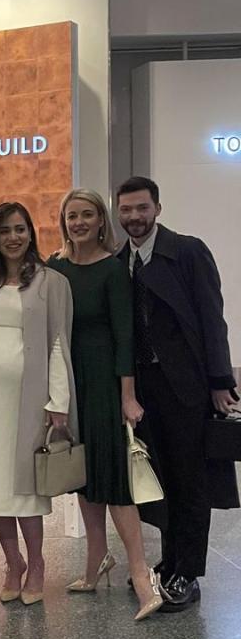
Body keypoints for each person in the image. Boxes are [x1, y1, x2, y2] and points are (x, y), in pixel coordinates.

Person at [116, 176, 239, 610]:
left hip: (185, 387)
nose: (134, 217)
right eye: (126, 210)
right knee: (161, 480)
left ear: (157, 209)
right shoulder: (120, 261)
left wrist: (221, 382)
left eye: (141, 208)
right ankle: (168, 563)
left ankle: (187, 572)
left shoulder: (187, 251)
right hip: (143, 391)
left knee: (191, 481)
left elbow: (212, 317)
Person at [47, 189, 162, 621]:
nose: (78, 223)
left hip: (103, 384)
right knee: (84, 476)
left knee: (114, 481)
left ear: (100, 221)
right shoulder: (54, 267)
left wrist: (127, 396)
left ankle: (139, 575)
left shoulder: (113, 271)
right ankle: (95, 563)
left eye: (86, 215)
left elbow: (125, 336)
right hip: (68, 384)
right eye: (71, 215)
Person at [0, 202, 76, 607]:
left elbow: (58, 342)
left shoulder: (51, 282)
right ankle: (12, 563)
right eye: (4, 231)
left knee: (27, 490)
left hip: (29, 400)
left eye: (20, 229)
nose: (13, 237)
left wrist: (58, 400)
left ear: (31, 234)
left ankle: (37, 564)